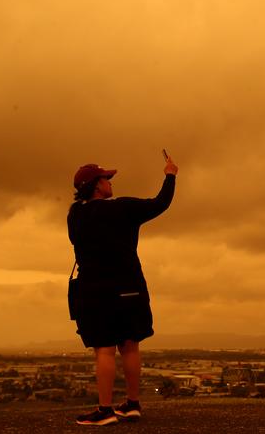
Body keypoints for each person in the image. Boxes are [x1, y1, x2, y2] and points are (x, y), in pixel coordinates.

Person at [67, 156, 178, 426]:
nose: (109, 182)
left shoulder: (76, 214)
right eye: (106, 178)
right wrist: (170, 175)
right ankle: (132, 404)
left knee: (104, 350)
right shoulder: (124, 208)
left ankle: (105, 410)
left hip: (94, 290)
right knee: (129, 346)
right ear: (95, 185)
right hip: (130, 287)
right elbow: (160, 203)